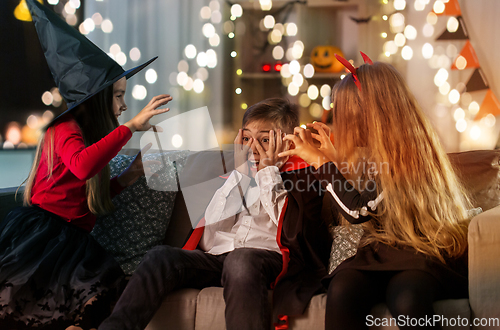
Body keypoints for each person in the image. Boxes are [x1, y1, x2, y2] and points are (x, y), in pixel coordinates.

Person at [0, 1, 172, 329]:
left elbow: (84, 187)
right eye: (118, 97)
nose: (123, 106)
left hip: (72, 238)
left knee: (103, 295)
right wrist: (132, 127)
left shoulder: (88, 136)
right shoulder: (65, 129)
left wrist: (129, 175)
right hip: (47, 237)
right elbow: (81, 167)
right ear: (97, 99)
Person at [99, 97, 335, 330]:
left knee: (240, 259)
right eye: (247, 139)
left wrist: (269, 172)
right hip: (220, 259)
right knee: (159, 256)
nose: (253, 148)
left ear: (287, 143)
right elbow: (210, 238)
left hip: (269, 260)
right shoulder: (237, 174)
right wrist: (240, 175)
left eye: (265, 139)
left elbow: (290, 231)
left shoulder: (304, 177)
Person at [279, 54, 471, 330]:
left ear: (371, 116)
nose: (338, 123)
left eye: (344, 114)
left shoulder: (408, 155)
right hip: (380, 252)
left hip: (420, 252)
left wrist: (321, 164)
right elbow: (348, 208)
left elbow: (359, 210)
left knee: (408, 298)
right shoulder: (371, 156)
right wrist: (335, 162)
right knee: (343, 289)